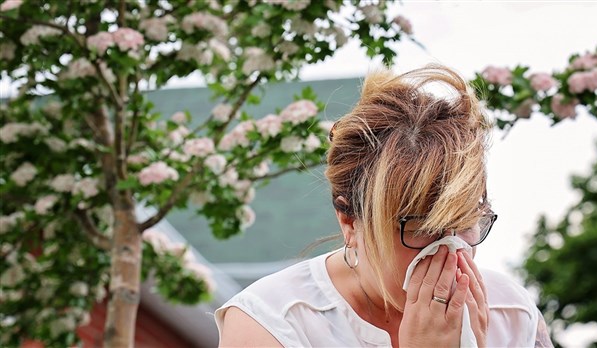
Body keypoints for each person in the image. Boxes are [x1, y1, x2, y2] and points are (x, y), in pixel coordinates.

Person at [215, 65, 553, 347]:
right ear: (349, 221)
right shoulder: (272, 323)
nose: (452, 253)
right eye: (421, 229)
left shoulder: (512, 313)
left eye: (467, 223)